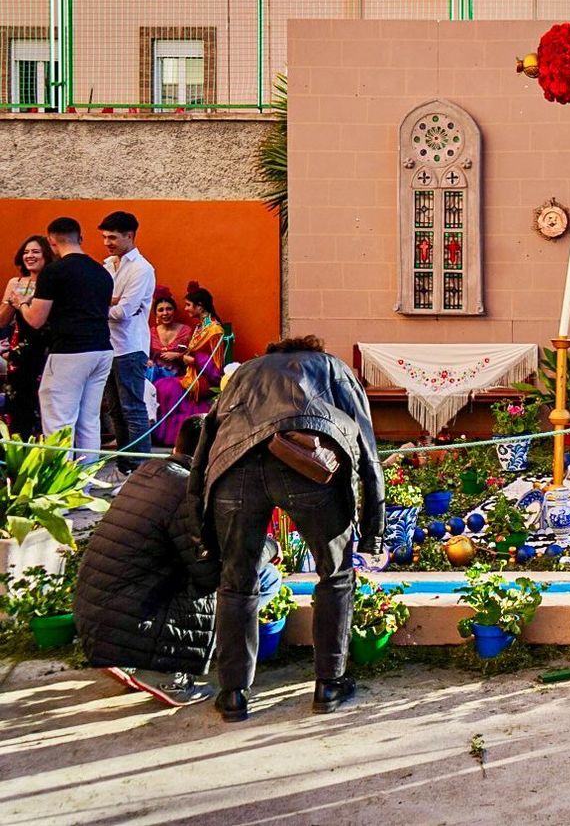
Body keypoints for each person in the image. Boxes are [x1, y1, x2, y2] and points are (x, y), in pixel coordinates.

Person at [190, 334, 383, 722]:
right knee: (335, 576)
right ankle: (329, 684)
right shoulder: (332, 368)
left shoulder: (245, 372)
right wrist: (372, 532)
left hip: (234, 469)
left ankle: (233, 693)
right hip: (308, 468)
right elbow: (367, 447)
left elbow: (208, 438)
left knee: (236, 582)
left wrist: (200, 523)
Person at [75, 416, 219, 707]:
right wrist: (262, 549)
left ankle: (128, 657)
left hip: (97, 614)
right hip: (128, 618)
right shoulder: (187, 492)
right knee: (247, 578)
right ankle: (164, 672)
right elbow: (209, 574)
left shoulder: (150, 471)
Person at [4, 217, 114, 465]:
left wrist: (20, 303)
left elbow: (35, 320)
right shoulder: (102, 272)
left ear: (51, 241)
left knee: (58, 420)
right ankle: (85, 482)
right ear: (80, 238)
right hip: (102, 348)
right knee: (88, 421)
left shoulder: (54, 272)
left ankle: (59, 485)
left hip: (69, 351)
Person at [99, 211, 156, 478]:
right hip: (108, 346)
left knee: (133, 408)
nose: (107, 242)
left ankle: (140, 470)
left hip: (131, 347)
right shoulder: (107, 266)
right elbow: (115, 306)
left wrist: (100, 305)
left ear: (129, 236)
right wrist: (111, 301)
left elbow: (124, 312)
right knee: (115, 410)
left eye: (112, 237)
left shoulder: (141, 269)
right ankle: (124, 466)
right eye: (104, 237)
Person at [153, 282, 226, 447]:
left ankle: (176, 436)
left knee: (167, 388)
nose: (185, 309)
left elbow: (216, 367)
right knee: (161, 385)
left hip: (206, 378)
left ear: (200, 306)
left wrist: (193, 360)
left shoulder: (214, 330)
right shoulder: (200, 327)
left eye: (188, 305)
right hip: (192, 373)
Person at [1, 235, 54, 439]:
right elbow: (2, 321)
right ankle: (19, 444)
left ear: (46, 255)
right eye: (26, 252)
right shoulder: (16, 282)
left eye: (35, 252)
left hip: (48, 350)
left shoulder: (53, 281)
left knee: (45, 401)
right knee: (18, 401)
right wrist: (11, 301)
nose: (29, 256)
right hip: (20, 352)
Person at [147, 289, 193, 382]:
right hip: (154, 376)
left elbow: (193, 356)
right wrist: (148, 361)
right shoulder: (151, 332)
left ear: (174, 311)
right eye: (161, 310)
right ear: (156, 314)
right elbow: (143, 354)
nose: (165, 313)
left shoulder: (186, 331)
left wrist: (178, 355)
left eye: (169, 309)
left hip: (178, 378)